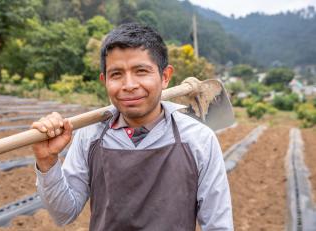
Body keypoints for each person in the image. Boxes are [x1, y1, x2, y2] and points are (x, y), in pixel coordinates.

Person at [32, 23, 233, 231]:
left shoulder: (198, 139)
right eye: (117, 74)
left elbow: (218, 225)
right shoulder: (90, 135)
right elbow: (64, 213)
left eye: (141, 71)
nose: (129, 85)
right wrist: (47, 161)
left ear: (165, 77)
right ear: (105, 80)